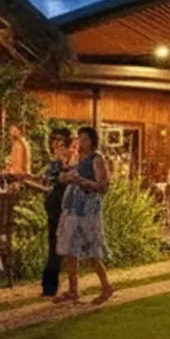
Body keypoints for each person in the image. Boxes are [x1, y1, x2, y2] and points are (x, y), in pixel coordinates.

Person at [55, 127, 114, 305]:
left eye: (85, 139)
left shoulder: (96, 159)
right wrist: (65, 177)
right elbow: (67, 174)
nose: (81, 142)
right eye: (79, 138)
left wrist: (81, 181)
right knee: (70, 249)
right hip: (73, 208)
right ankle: (73, 290)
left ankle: (106, 287)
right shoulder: (78, 159)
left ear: (92, 141)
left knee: (91, 250)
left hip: (88, 209)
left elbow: (103, 186)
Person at [29, 128, 72, 300]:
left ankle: (64, 288)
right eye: (55, 146)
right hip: (55, 208)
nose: (57, 149)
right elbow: (45, 182)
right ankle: (50, 287)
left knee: (64, 248)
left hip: (65, 208)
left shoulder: (69, 165)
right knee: (55, 246)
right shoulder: (54, 165)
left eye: (60, 146)